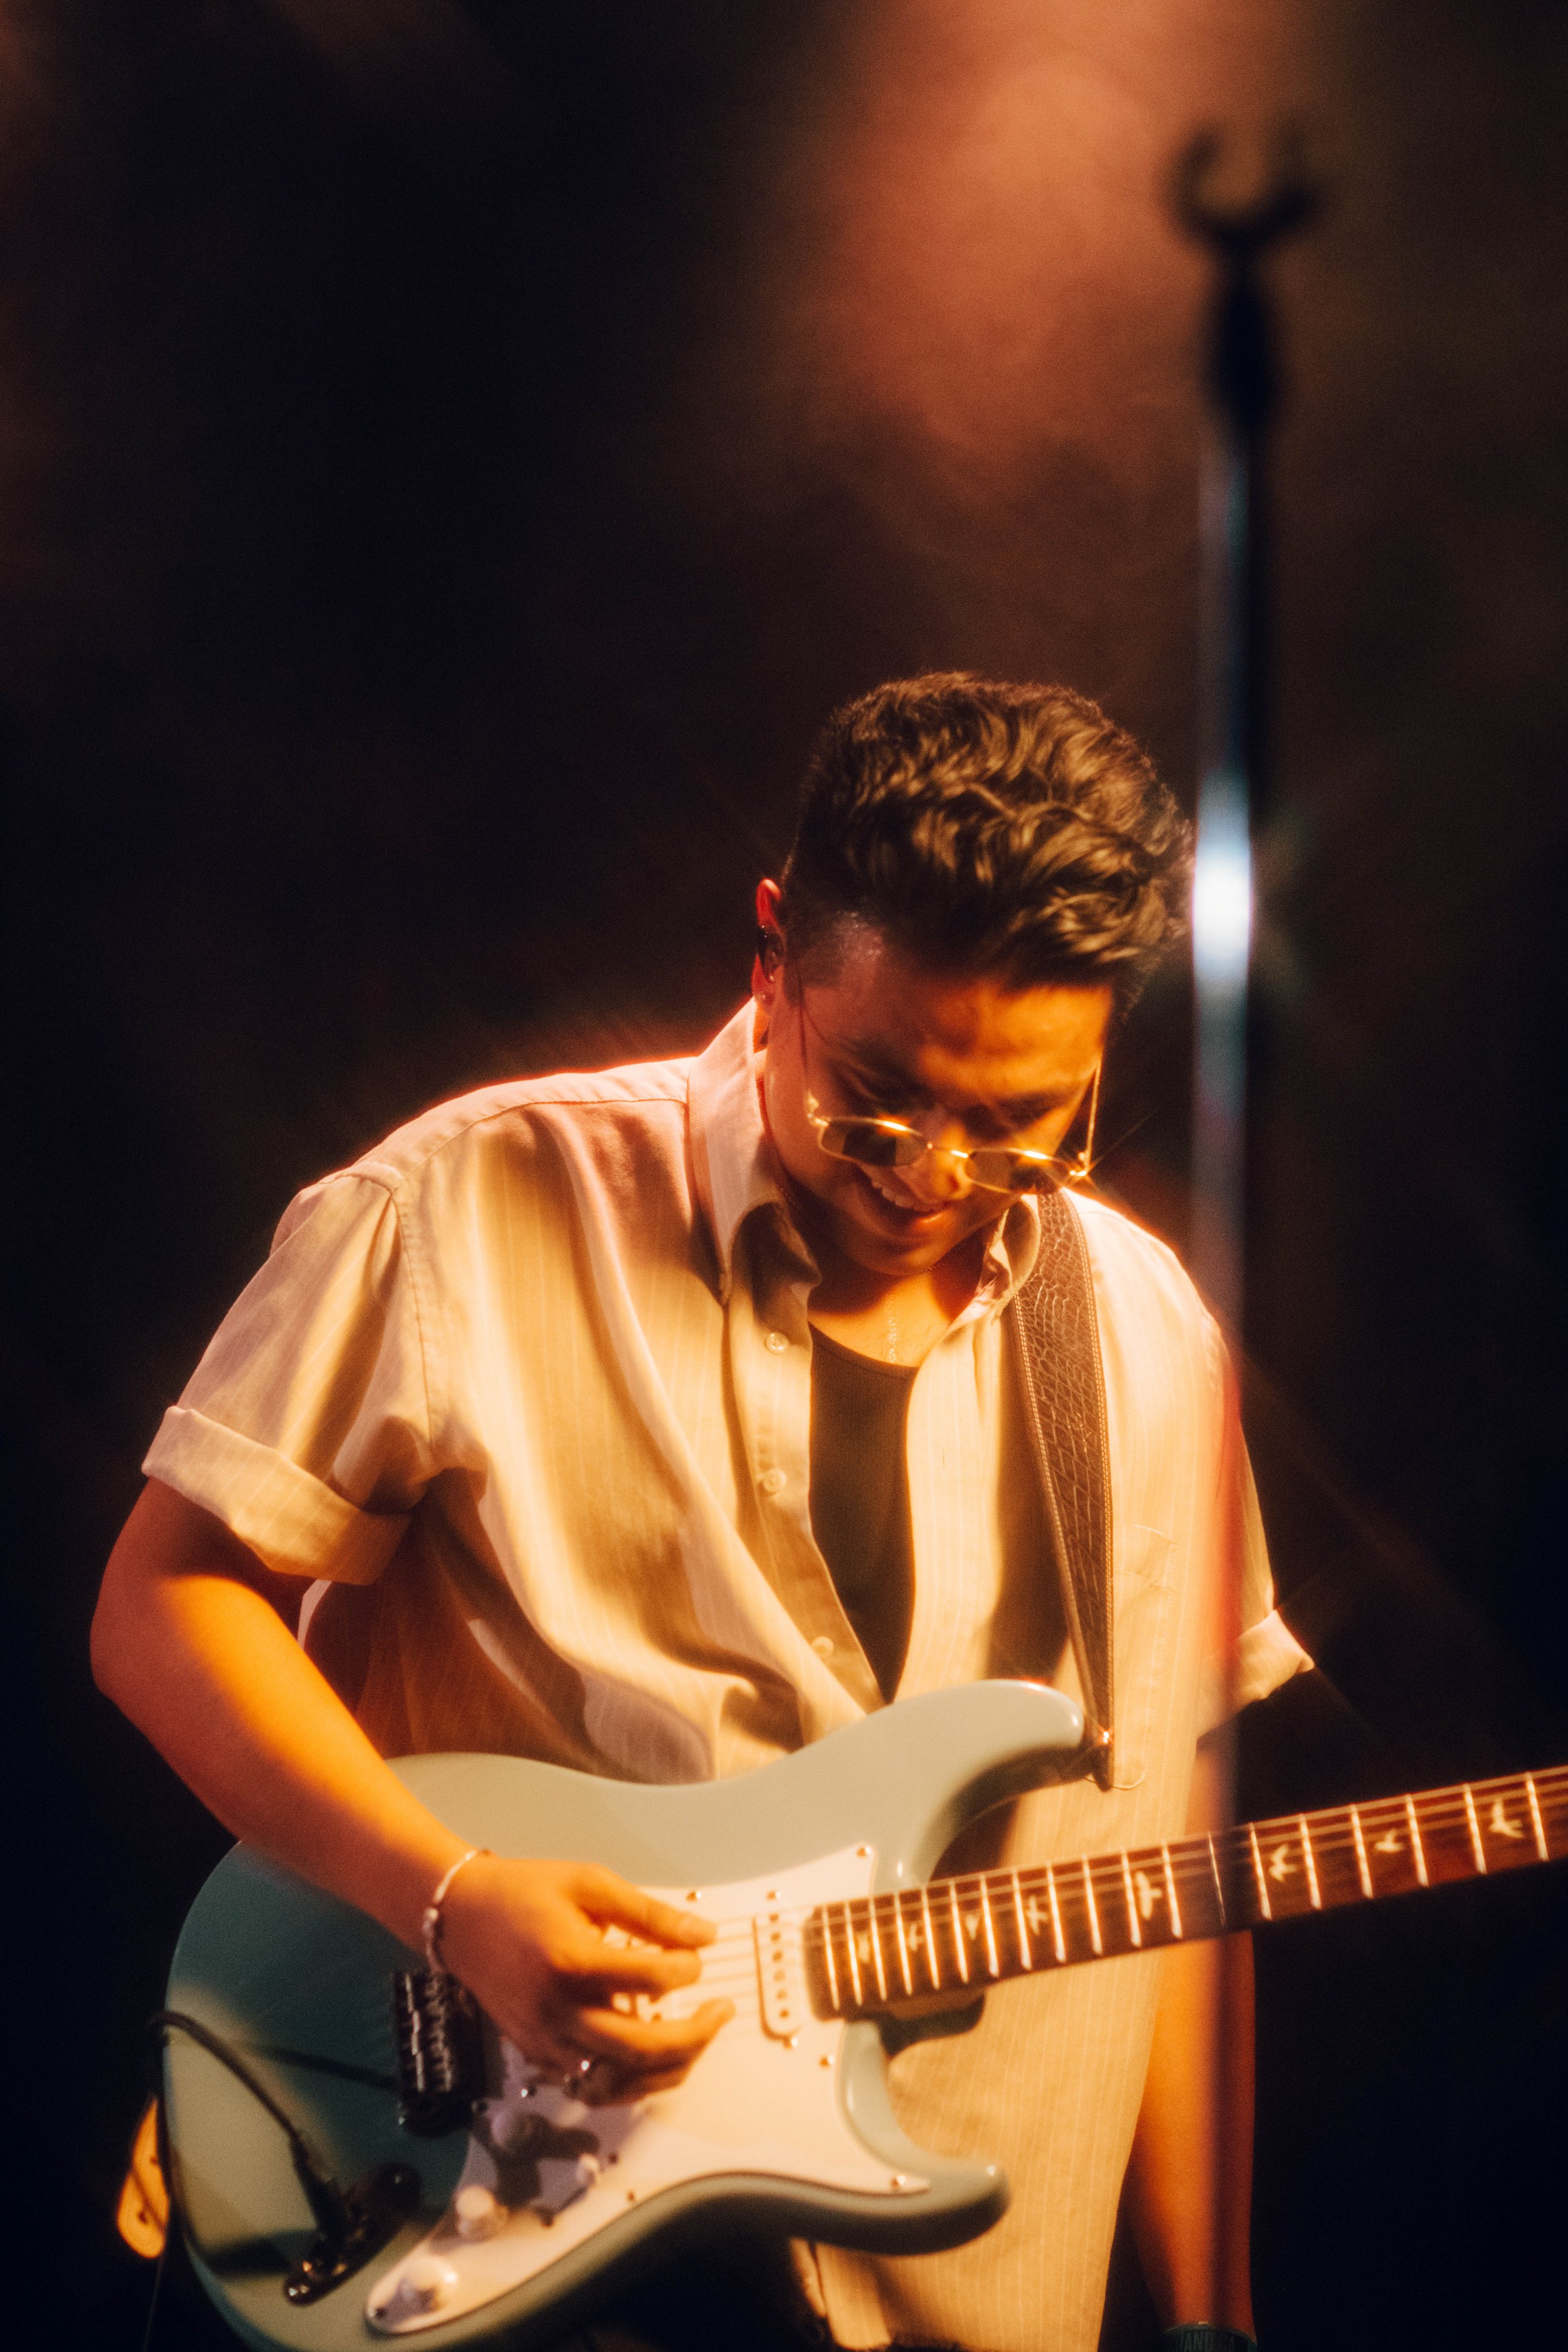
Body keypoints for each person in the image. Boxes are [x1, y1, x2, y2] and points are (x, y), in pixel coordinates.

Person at [92, 672, 1308, 2352]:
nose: (929, 1174)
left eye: (1019, 1125)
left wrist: (1212, 2317)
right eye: (875, 1095)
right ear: (772, 955)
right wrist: (449, 1896)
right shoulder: (462, 1203)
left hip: (973, 2290)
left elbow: (1169, 1856)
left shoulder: (1155, 1339)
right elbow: (163, 1603)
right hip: (503, 2232)